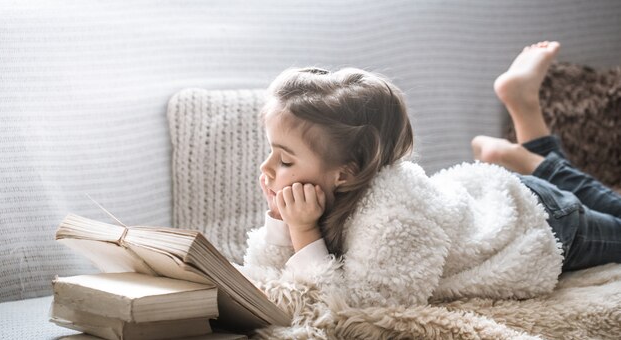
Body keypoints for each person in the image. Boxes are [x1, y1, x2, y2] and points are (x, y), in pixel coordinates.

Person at [239, 41, 621, 309]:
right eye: (270, 152)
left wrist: (302, 231)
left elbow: (357, 306)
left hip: (541, 219)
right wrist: (280, 221)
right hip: (486, 197)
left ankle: (534, 157)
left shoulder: (394, 219)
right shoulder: (330, 192)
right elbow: (268, 276)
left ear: (346, 172)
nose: (266, 168)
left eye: (285, 161)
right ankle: (523, 117)